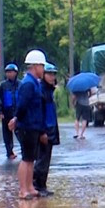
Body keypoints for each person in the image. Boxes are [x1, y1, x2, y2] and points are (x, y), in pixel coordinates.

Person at [9, 50, 47, 200]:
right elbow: (22, 105)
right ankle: (23, 189)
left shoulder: (34, 83)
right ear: (35, 66)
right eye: (42, 66)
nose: (43, 70)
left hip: (34, 125)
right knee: (26, 158)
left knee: (31, 158)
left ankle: (30, 187)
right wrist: (17, 119)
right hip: (27, 126)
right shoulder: (28, 84)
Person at [35, 63, 60, 196]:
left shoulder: (50, 90)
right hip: (44, 129)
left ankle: (43, 185)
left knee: (47, 159)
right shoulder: (41, 90)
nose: (52, 77)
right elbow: (40, 114)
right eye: (49, 74)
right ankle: (37, 185)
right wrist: (42, 131)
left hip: (51, 128)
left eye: (53, 74)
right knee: (41, 159)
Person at [0, 63, 21, 159]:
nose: (9, 74)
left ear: (15, 73)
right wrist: (0, 112)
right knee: (7, 134)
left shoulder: (20, 84)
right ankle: (9, 152)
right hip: (7, 112)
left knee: (20, 132)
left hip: (18, 112)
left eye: (11, 72)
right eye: (7, 72)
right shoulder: (3, 85)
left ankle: (25, 149)